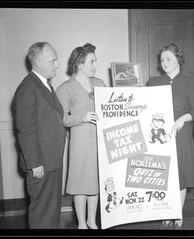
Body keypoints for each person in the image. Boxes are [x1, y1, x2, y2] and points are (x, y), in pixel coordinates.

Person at [147, 43, 194, 230]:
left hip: (181, 134)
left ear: (178, 59)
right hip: (159, 134)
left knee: (180, 174)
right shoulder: (153, 81)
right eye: (162, 60)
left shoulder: (191, 81)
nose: (165, 62)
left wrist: (181, 120)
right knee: (163, 174)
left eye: (168, 58)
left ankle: (177, 211)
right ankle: (166, 211)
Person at [13, 42, 66, 229]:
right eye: (53, 61)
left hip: (52, 160)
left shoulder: (45, 85)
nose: (57, 65)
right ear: (37, 62)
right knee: (43, 214)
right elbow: (26, 129)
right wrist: (35, 163)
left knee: (51, 212)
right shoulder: (28, 88)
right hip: (41, 164)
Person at [56, 43, 106, 229]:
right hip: (80, 142)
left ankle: (92, 222)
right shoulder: (66, 88)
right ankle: (81, 224)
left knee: (95, 182)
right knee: (80, 183)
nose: (96, 64)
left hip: (99, 141)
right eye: (92, 61)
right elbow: (61, 119)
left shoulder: (99, 83)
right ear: (80, 64)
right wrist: (82, 118)